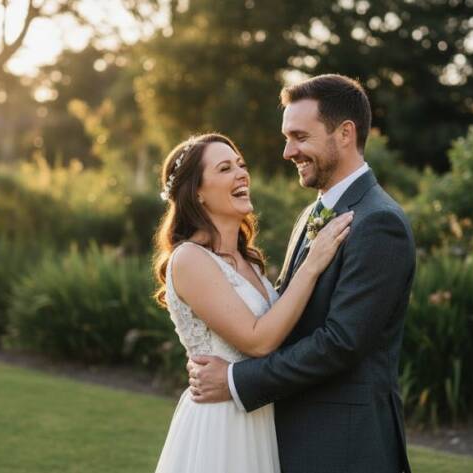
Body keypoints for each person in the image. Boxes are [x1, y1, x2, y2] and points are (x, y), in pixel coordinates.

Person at [188, 74, 416, 473]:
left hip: (345, 444)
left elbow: (341, 343)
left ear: (345, 134)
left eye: (299, 137)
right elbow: (285, 312)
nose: (287, 151)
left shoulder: (379, 222)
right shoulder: (312, 214)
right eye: (287, 137)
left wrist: (237, 380)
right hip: (295, 435)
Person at [152, 132, 354, 473]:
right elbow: (258, 340)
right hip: (222, 423)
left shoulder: (249, 262)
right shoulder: (189, 258)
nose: (241, 173)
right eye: (225, 168)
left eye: (241, 165)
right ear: (197, 192)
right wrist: (313, 264)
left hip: (259, 413)